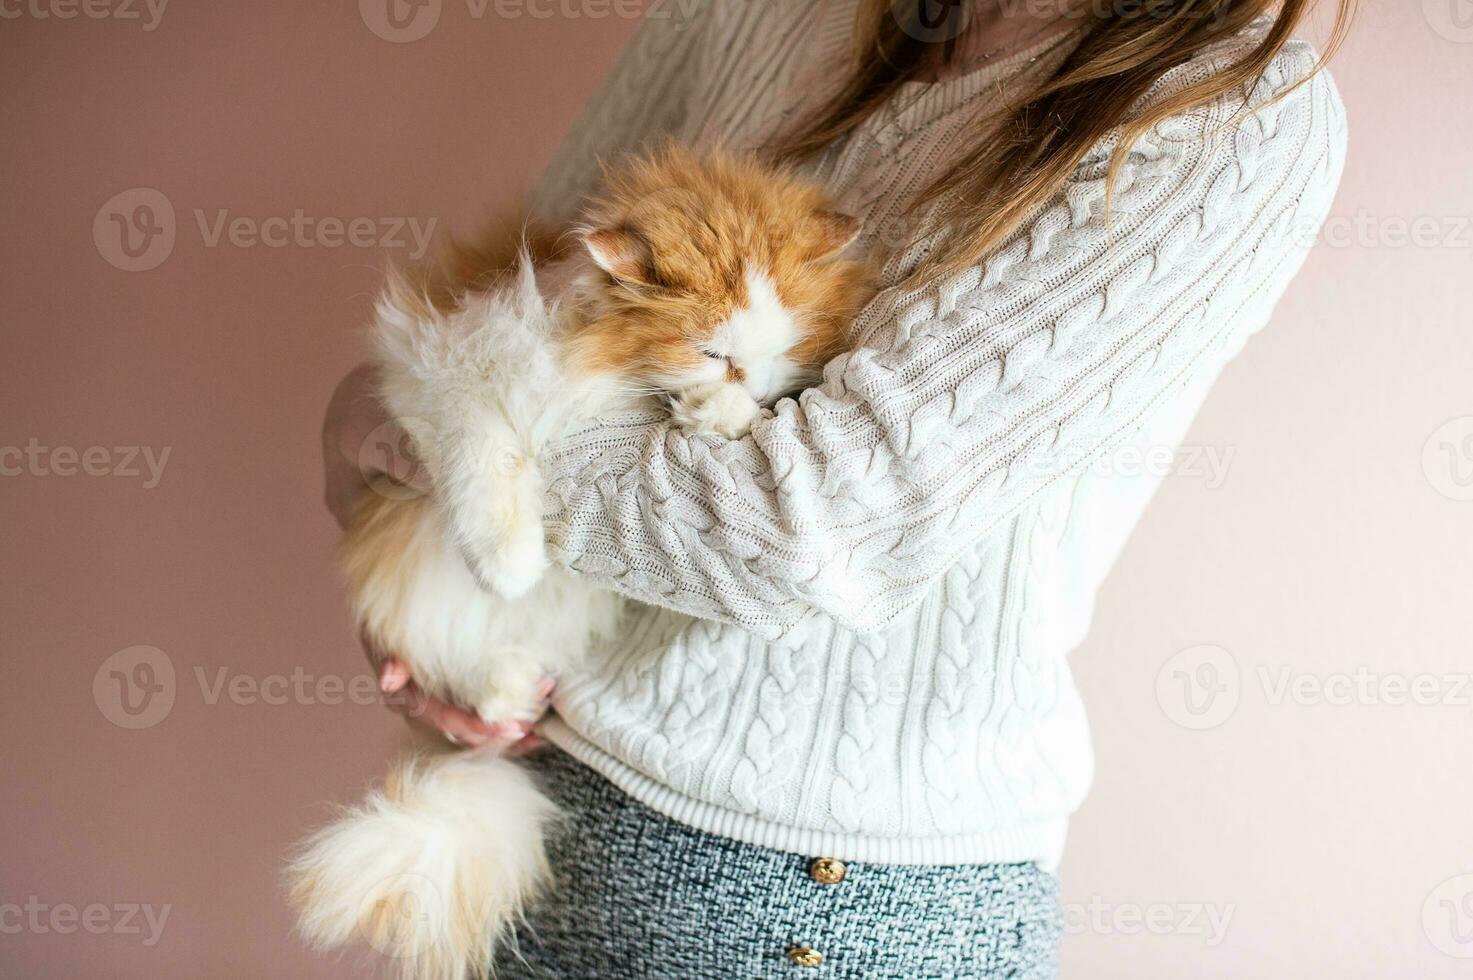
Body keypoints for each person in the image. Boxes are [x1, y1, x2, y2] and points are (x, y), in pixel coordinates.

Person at [321, 1, 1350, 975]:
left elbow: (800, 531)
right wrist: (397, 477)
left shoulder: (1230, 118)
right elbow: (525, 294)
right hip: (538, 789)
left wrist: (445, 447)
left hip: (829, 898)